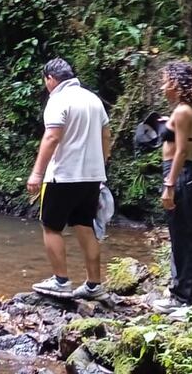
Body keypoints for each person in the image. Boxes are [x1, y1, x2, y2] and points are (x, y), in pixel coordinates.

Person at [27, 58, 111, 299]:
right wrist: (101, 164)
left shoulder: (58, 100)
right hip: (91, 177)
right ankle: (94, 285)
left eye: (46, 81)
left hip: (62, 176)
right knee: (85, 226)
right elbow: (106, 136)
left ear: (51, 79)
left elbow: (52, 137)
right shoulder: (92, 99)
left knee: (51, 227)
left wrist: (37, 173)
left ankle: (61, 281)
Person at [152, 62, 192, 311]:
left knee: (183, 238)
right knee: (186, 237)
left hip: (181, 175)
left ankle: (184, 299)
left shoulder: (182, 112)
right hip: (190, 174)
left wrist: (169, 184)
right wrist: (171, 128)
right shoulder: (189, 111)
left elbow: (184, 151)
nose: (163, 86)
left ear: (176, 84)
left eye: (165, 81)